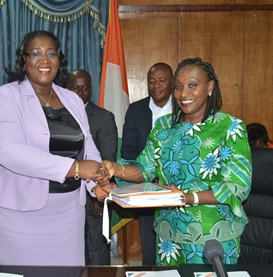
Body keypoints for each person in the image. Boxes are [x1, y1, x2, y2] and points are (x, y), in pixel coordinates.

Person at [101, 58, 252, 266]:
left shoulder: (230, 128)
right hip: (168, 237)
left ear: (209, 87)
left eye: (192, 85)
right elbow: (144, 169)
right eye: (178, 87)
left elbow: (238, 187)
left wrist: (188, 198)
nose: (183, 93)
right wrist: (115, 168)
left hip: (212, 238)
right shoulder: (164, 127)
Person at [0, 30, 108, 266]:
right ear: (23, 60)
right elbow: (8, 151)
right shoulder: (5, 96)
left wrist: (97, 183)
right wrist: (74, 168)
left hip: (69, 211)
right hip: (19, 212)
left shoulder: (71, 99)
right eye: (36, 53)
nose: (44, 60)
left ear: (59, 59)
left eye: (51, 53)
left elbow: (87, 147)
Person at [120, 62, 173, 265]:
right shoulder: (135, 110)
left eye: (161, 80)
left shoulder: (183, 108)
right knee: (149, 244)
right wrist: (150, 174)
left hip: (178, 186)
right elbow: (127, 150)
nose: (156, 85)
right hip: (148, 188)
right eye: (151, 82)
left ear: (172, 82)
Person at [67, 69, 118, 265]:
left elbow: (108, 159)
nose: (80, 93)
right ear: (67, 89)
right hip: (68, 196)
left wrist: (98, 199)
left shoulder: (104, 117)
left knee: (98, 246)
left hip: (96, 194)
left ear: (91, 90)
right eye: (75, 88)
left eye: (85, 88)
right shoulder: (58, 115)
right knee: (74, 249)